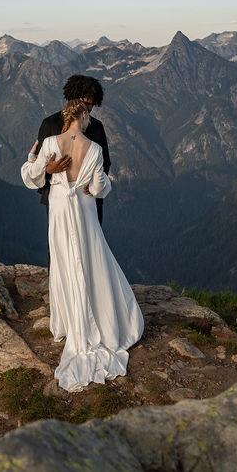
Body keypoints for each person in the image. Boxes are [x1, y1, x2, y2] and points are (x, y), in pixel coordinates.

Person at [21, 99, 144, 392]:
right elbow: (100, 187)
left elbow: (32, 176)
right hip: (85, 210)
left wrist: (34, 159)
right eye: (88, 115)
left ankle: (67, 321)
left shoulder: (51, 142)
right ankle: (102, 319)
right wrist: (93, 186)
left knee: (65, 261)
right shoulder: (95, 149)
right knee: (92, 260)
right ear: (84, 116)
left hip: (62, 208)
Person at [34, 75, 111, 227]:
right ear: (74, 99)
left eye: (93, 105)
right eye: (87, 103)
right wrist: (49, 171)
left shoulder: (97, 126)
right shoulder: (50, 124)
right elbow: (38, 163)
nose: (90, 108)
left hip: (89, 199)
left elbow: (106, 162)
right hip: (58, 199)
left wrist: (95, 186)